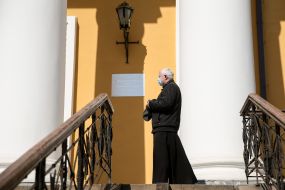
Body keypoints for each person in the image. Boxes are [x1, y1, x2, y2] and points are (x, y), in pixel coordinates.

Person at [144, 68, 197, 184]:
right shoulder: (169, 88)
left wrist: (151, 103)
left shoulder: (171, 88)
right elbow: (165, 103)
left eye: (159, 76)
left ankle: (160, 183)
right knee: (172, 157)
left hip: (165, 128)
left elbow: (166, 104)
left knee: (161, 159)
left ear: (165, 77)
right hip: (165, 127)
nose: (158, 79)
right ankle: (183, 180)